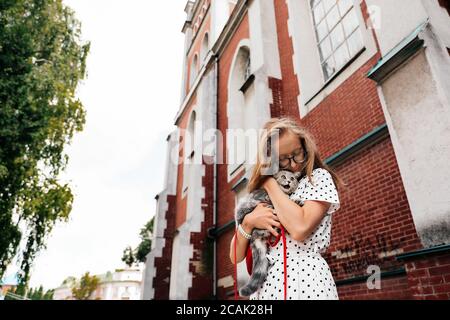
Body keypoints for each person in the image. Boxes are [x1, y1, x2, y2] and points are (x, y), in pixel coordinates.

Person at [229, 117, 344, 300]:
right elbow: (235, 256)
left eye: (297, 153)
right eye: (282, 159)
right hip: (266, 285)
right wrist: (249, 223)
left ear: (305, 147)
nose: (292, 164)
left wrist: (268, 182)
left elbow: (300, 228)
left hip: (306, 280)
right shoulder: (261, 196)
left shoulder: (317, 178)